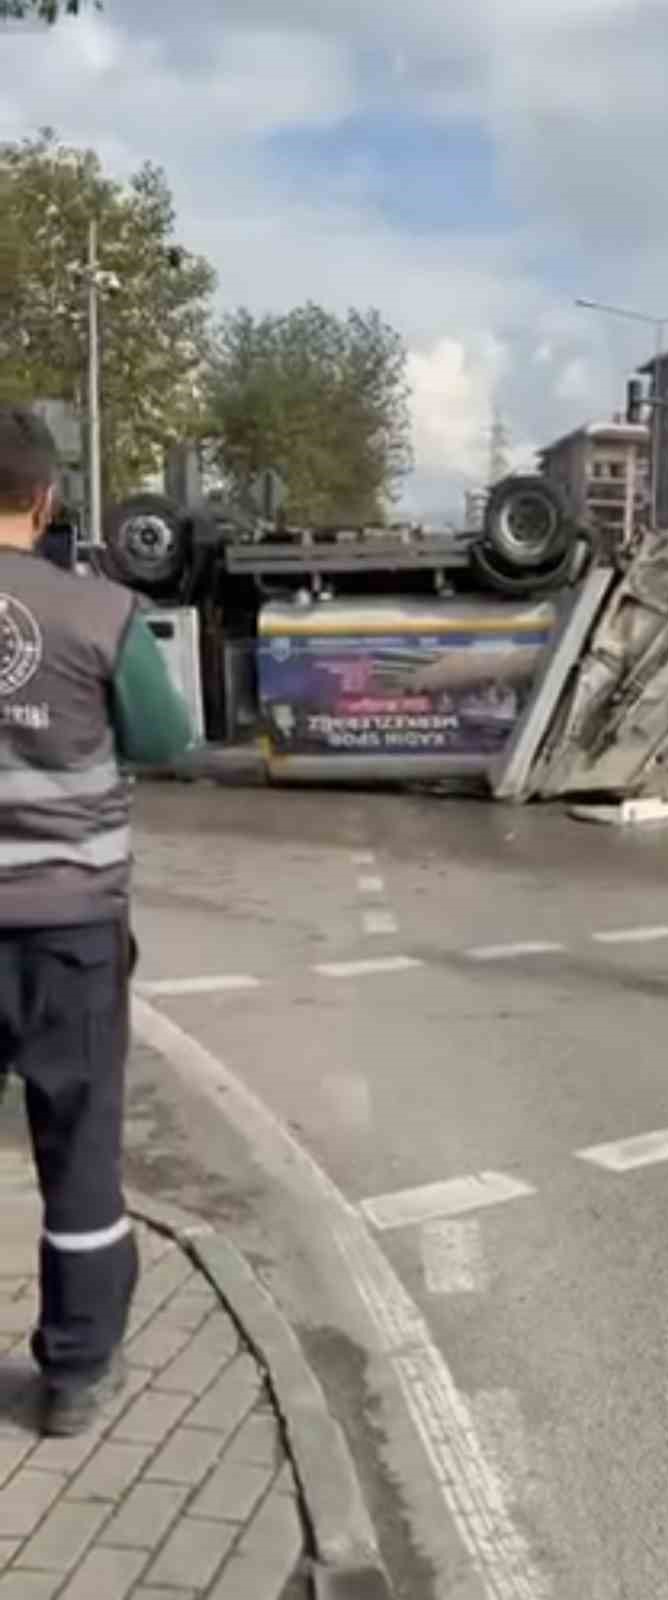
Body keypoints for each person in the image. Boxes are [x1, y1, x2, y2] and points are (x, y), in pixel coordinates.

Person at [0, 407, 193, 1436]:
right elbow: (164, 739)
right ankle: (74, 1372)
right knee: (77, 1149)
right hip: (69, 932)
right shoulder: (100, 611)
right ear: (45, 498)